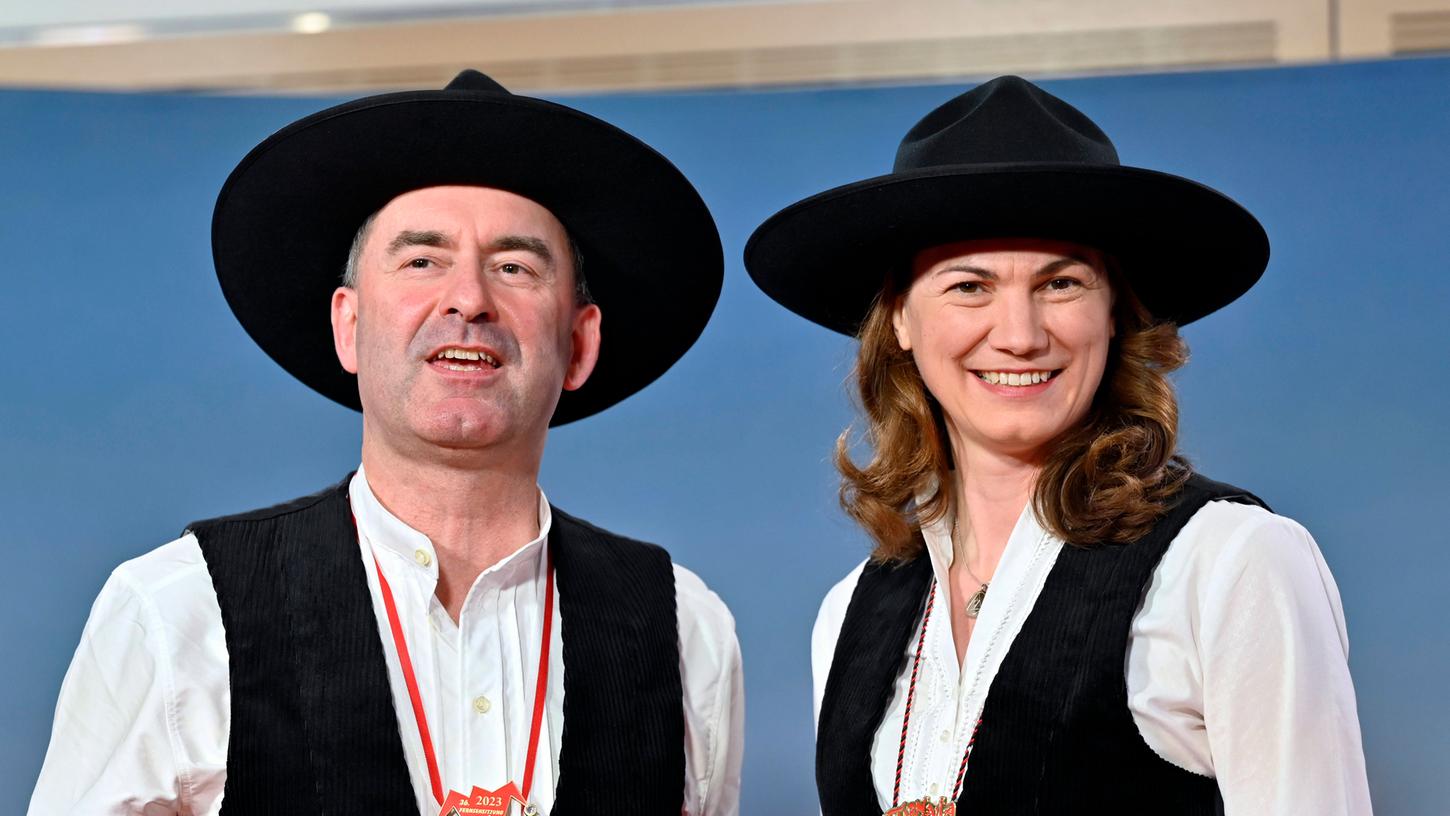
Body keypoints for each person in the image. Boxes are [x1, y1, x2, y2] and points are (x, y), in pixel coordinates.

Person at [31, 70, 742, 816]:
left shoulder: (683, 626)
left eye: (514, 267)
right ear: (349, 325)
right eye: (421, 261)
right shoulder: (178, 611)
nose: (469, 298)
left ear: (578, 342)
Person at [744, 76, 1371, 815]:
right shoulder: (848, 613)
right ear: (901, 322)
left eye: (1062, 283)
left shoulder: (1232, 563)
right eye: (969, 286)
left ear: (1115, 315)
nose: (1018, 334)